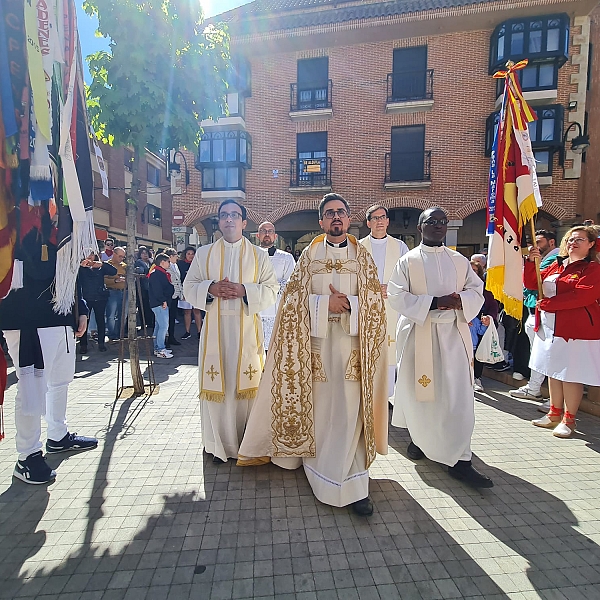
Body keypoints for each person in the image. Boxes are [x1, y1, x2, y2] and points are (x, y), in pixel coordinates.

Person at [238, 193, 389, 516]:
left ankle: (352, 482)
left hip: (352, 348)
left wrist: (350, 304)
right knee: (320, 410)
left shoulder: (362, 256)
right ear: (321, 221)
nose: (336, 218)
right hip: (316, 348)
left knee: (349, 412)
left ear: (349, 220)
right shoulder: (309, 256)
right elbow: (290, 304)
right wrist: (323, 304)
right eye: (330, 213)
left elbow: (376, 303)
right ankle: (317, 468)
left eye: (341, 213)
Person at [388, 207, 493, 488]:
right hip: (420, 332)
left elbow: (477, 291)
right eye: (431, 222)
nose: (438, 226)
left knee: (456, 395)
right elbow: (395, 295)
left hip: (453, 335)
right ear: (420, 227)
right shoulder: (408, 261)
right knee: (421, 391)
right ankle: (420, 441)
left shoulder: (459, 260)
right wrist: (434, 302)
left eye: (442, 222)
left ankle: (461, 460)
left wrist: (461, 302)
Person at [183, 200, 279, 463]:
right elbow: (188, 287)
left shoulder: (259, 255)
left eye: (234, 215)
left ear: (244, 223)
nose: (229, 220)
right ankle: (218, 445)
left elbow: (272, 290)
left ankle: (247, 444)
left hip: (247, 332)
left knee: (245, 389)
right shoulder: (203, 254)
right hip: (214, 333)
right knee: (220, 389)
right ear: (219, 222)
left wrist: (244, 291)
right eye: (224, 215)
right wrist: (210, 289)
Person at [0, 228, 98, 485]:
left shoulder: (58, 228)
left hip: (62, 315)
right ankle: (28, 454)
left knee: (60, 381)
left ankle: (58, 435)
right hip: (26, 317)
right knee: (32, 387)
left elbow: (68, 273)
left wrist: (82, 308)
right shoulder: (15, 218)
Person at [526, 226, 600, 438]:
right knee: (553, 370)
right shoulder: (556, 265)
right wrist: (532, 262)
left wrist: (549, 304)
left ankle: (569, 419)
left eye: (579, 239)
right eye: (570, 239)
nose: (573, 243)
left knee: (570, 374)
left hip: (574, 329)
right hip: (550, 327)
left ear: (591, 244)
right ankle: (553, 413)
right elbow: (533, 283)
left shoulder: (592, 269)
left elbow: (583, 296)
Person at [359, 204, 409, 398]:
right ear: (368, 222)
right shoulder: (359, 246)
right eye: (375, 218)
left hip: (392, 307)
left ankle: (386, 396)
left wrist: (392, 288)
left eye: (383, 217)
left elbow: (408, 276)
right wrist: (371, 289)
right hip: (366, 306)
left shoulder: (400, 247)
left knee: (390, 352)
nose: (379, 221)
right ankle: (368, 394)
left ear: (388, 221)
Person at [511, 230, 559, 402]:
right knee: (537, 354)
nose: (535, 246)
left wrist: (533, 262)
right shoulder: (543, 258)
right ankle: (534, 387)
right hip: (536, 312)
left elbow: (539, 280)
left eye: (539, 242)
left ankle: (555, 398)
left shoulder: (556, 258)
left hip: (551, 315)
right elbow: (530, 282)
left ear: (551, 242)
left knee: (549, 356)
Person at [256, 222, 296, 350]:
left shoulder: (286, 258)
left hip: (277, 310)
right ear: (258, 235)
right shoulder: (250, 256)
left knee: (276, 352)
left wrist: (267, 285)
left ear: (275, 236)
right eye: (263, 231)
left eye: (270, 231)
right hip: (255, 311)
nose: (267, 234)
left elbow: (292, 283)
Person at [78, 252, 118, 353]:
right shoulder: (81, 266)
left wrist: (102, 264)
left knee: (100, 320)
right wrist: (80, 266)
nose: (90, 256)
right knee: (84, 320)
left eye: (92, 254)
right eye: (88, 254)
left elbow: (114, 271)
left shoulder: (99, 266)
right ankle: (83, 344)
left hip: (100, 297)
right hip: (86, 297)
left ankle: (101, 343)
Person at [470, 260, 499, 393]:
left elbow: (493, 307)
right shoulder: (457, 287)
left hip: (480, 326)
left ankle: (477, 378)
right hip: (461, 326)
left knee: (477, 354)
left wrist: (490, 318)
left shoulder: (486, 290)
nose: (472, 273)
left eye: (475, 271)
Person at [148, 253, 175, 359]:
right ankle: (160, 349)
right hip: (159, 303)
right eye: (168, 261)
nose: (169, 264)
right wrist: (163, 300)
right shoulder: (156, 273)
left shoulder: (161, 273)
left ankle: (157, 347)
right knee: (164, 326)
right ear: (162, 262)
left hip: (160, 302)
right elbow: (157, 289)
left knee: (159, 326)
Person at [178, 247, 203, 340]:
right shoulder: (180, 264)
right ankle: (187, 331)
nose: (191, 256)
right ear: (185, 254)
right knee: (187, 311)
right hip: (185, 290)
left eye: (192, 254)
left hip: (196, 289)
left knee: (197, 310)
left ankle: (199, 331)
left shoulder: (198, 264)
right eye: (188, 254)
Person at [104, 246, 127, 342]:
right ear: (114, 253)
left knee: (123, 314)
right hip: (112, 291)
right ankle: (112, 335)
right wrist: (115, 280)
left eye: (123, 257)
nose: (121, 259)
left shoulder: (124, 266)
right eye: (120, 256)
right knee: (111, 315)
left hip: (124, 292)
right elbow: (103, 279)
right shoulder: (106, 265)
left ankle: (120, 334)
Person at [165, 249, 183, 348]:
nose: (177, 257)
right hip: (169, 295)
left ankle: (171, 337)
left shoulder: (175, 265)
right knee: (166, 319)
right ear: (170, 256)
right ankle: (165, 339)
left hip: (175, 295)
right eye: (175, 255)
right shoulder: (166, 266)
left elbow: (178, 280)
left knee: (172, 317)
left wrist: (181, 293)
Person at [134, 247, 154, 330]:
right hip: (142, 288)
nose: (145, 255)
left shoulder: (151, 262)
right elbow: (141, 271)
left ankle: (150, 323)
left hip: (151, 287)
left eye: (146, 253)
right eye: (142, 253)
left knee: (150, 306)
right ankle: (143, 324)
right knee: (143, 306)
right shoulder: (139, 262)